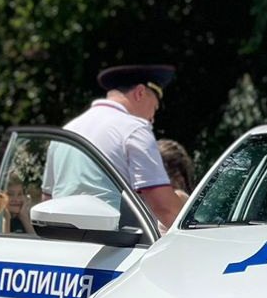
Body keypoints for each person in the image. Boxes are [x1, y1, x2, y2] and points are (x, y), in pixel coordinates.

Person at [45, 64, 184, 228]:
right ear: (140, 93)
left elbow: (47, 200)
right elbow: (165, 208)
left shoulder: (66, 132)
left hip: (61, 241)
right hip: (115, 245)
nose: (152, 118)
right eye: (154, 107)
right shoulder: (134, 129)